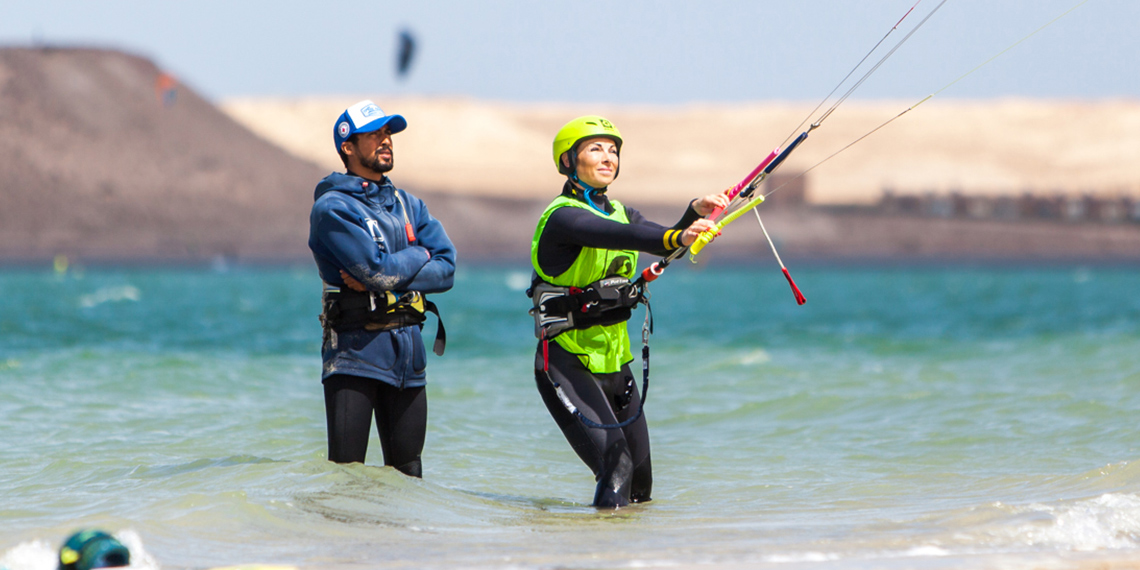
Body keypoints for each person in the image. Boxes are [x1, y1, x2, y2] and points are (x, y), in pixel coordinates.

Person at [529, 115, 727, 508]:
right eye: (595, 148)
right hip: (566, 363)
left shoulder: (622, 212)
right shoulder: (562, 217)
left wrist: (691, 214)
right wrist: (676, 234)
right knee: (615, 465)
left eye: (614, 150)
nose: (608, 157)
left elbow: (658, 241)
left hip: (616, 366)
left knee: (640, 481)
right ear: (568, 160)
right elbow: (618, 235)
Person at [309, 100, 455, 477]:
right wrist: (421, 254)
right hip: (355, 357)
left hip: (409, 358)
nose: (385, 140)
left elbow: (447, 269)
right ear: (348, 146)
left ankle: (402, 540)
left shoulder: (409, 204)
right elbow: (375, 272)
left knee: (409, 477)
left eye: (388, 133)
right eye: (374, 134)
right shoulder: (332, 208)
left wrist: (399, 264)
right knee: (346, 477)